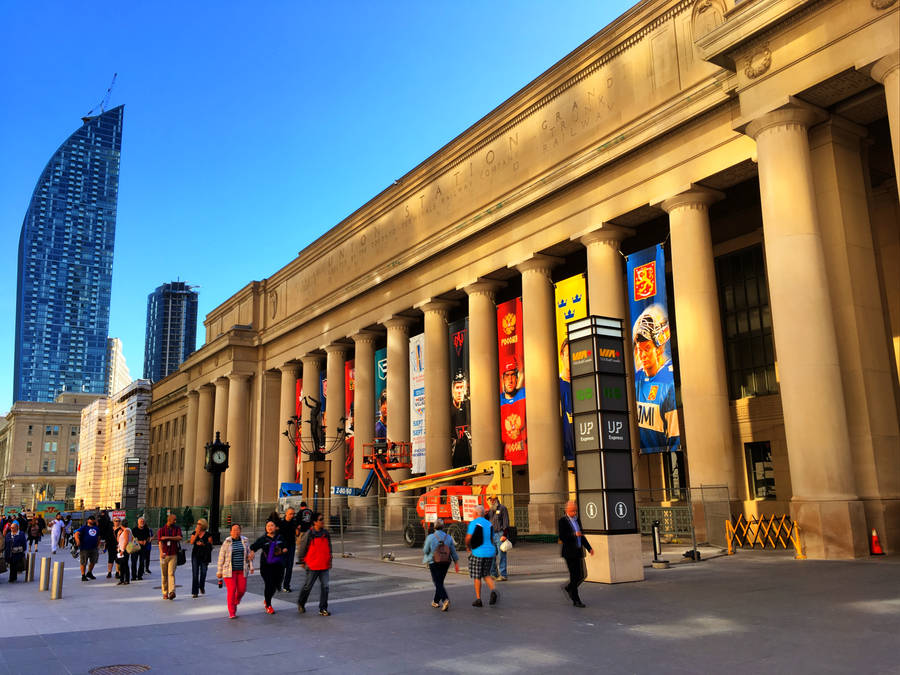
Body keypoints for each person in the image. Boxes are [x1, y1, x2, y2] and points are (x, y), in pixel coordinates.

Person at [632, 304, 680, 453]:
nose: (642, 355)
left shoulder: (668, 382)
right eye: (640, 350)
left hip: (665, 456)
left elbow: (675, 437)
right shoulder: (637, 378)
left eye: (647, 349)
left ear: (658, 349)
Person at [558, 500, 595, 608]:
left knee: (582, 575)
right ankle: (576, 599)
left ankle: (569, 588)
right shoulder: (562, 521)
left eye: (575, 510)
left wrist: (589, 548)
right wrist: (574, 534)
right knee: (574, 576)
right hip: (569, 553)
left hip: (578, 551)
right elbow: (562, 537)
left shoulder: (577, 519)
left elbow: (582, 535)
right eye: (572, 511)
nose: (574, 513)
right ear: (567, 510)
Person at [296, 512, 332, 616]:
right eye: (320, 519)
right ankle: (301, 603)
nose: (323, 521)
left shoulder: (326, 533)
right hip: (312, 565)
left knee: (325, 587)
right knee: (308, 586)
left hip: (324, 565)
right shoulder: (309, 533)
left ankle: (323, 608)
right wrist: (302, 560)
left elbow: (329, 548)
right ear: (314, 522)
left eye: (323, 519)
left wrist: (330, 560)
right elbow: (302, 547)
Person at [250, 520, 288, 614]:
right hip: (266, 566)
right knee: (269, 584)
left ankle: (267, 599)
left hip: (278, 565)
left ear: (276, 527)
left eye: (272, 525)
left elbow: (285, 547)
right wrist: (252, 552)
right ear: (266, 528)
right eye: (268, 526)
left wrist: (283, 550)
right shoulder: (263, 539)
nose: (270, 527)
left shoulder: (280, 537)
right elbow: (253, 547)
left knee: (276, 585)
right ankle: (268, 605)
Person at [216, 523, 253, 619]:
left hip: (242, 569)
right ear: (230, 532)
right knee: (231, 590)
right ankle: (232, 611)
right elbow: (221, 557)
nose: (236, 532)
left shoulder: (245, 540)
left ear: (240, 531)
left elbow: (249, 554)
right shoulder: (227, 542)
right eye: (234, 530)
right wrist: (219, 571)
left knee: (242, 590)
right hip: (229, 571)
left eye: (238, 530)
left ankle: (236, 601)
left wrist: (251, 565)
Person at [422, 518, 460, 611]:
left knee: (437, 582)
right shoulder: (448, 537)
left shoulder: (430, 537)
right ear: (443, 527)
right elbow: (453, 552)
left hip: (434, 562)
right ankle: (435, 601)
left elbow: (425, 550)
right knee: (440, 582)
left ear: (434, 527)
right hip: (446, 562)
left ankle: (445, 599)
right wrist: (456, 563)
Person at [465, 505, 498, 607]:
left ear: (475, 513)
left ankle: (478, 599)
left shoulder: (473, 523)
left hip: (478, 552)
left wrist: (468, 547)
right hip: (490, 552)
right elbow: (492, 539)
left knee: (477, 576)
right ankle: (493, 590)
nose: (472, 515)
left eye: (472, 513)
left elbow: (468, 538)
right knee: (486, 574)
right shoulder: (489, 524)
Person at [499, 357, 527, 459]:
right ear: (502, 378)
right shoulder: (497, 403)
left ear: (517, 377)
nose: (510, 380)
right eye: (507, 375)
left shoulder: (525, 395)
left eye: (513, 375)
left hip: (526, 459)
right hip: (507, 460)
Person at [157, 513, 183, 600]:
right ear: (169, 520)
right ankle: (165, 592)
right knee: (164, 575)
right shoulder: (161, 530)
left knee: (171, 573)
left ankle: (172, 591)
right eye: (174, 520)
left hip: (173, 554)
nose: (175, 521)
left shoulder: (177, 528)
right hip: (164, 555)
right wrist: (161, 553)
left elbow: (179, 537)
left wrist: (168, 537)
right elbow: (160, 542)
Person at [450, 370, 472, 468]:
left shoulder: (469, 408)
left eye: (462, 387)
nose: (459, 392)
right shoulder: (448, 412)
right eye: (457, 388)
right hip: (454, 459)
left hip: (469, 456)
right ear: (452, 389)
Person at [189, 518, 214, 598]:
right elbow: (191, 542)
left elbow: (210, 546)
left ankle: (201, 586)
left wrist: (203, 545)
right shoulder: (194, 533)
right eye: (197, 524)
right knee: (195, 574)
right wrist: (196, 533)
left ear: (203, 525)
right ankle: (194, 592)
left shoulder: (208, 534)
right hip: (195, 555)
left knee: (203, 572)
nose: (197, 525)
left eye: (199, 524)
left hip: (204, 556)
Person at [488, 496, 510, 581]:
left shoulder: (502, 508)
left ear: (497, 500)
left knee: (501, 555)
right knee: (491, 555)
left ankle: (503, 575)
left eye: (493, 500)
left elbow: (506, 522)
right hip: (492, 534)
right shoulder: (490, 510)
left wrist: (504, 534)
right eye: (490, 500)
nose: (492, 501)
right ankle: (493, 573)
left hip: (500, 534)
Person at [277, 507, 299, 591]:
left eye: (293, 514)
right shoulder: (281, 522)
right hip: (282, 546)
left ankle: (286, 586)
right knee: (282, 566)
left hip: (291, 546)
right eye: (290, 514)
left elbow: (297, 534)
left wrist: (297, 529)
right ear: (286, 513)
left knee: (289, 567)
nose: (292, 515)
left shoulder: (294, 522)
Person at [75, 514, 100, 581]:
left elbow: (98, 537)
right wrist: (77, 541)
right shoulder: (84, 527)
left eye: (93, 519)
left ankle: (89, 572)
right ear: (88, 520)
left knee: (93, 561)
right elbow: (76, 533)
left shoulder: (96, 528)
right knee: (83, 562)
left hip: (94, 547)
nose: (92, 520)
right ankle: (83, 575)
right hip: (84, 547)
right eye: (90, 519)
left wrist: (98, 544)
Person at [116, 518, 133, 585]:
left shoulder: (126, 531)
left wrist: (122, 550)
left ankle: (126, 579)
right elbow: (119, 541)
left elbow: (126, 541)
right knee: (121, 565)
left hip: (124, 550)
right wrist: (118, 534)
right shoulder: (125, 531)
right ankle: (122, 579)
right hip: (121, 549)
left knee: (125, 565)